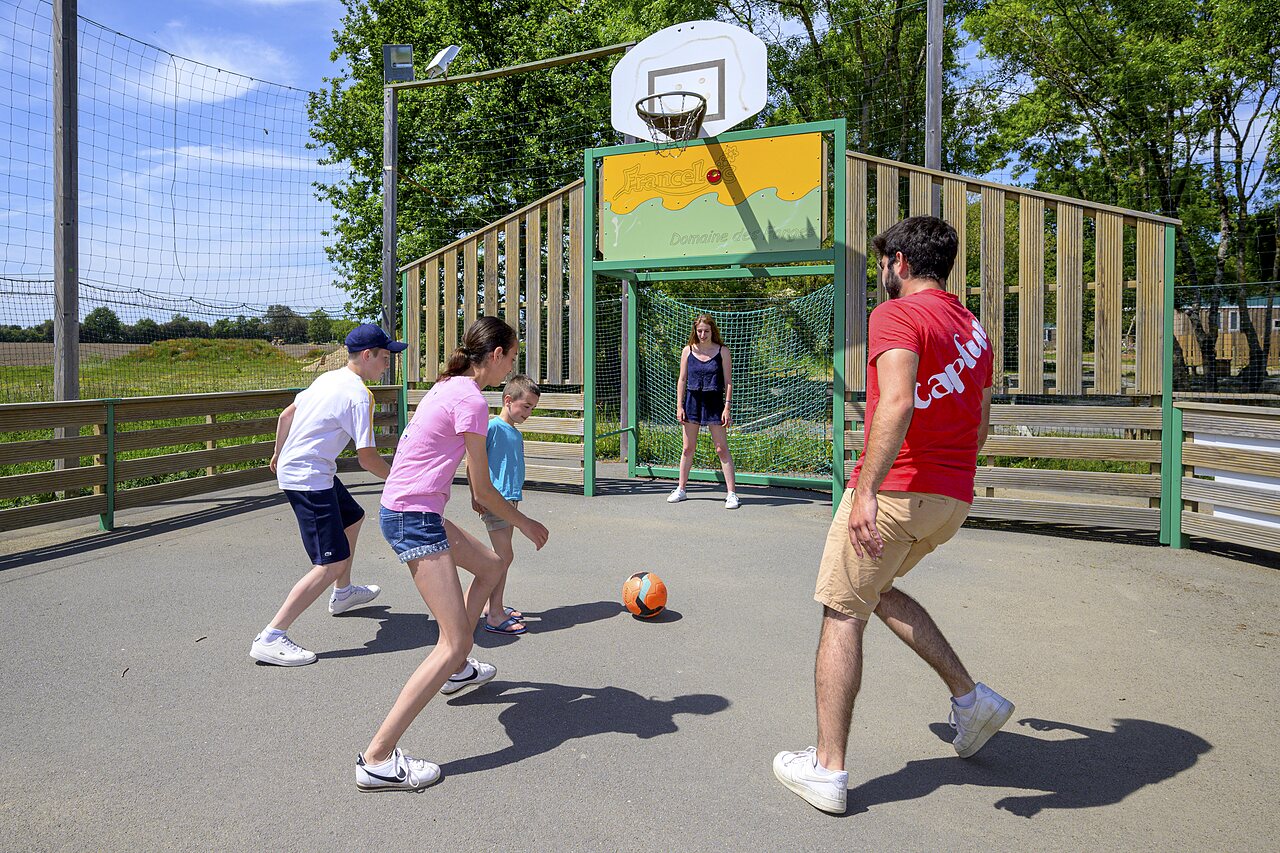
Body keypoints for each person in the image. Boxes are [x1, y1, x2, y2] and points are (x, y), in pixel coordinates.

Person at [773, 215, 1014, 814]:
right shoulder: (972, 329)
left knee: (842, 609)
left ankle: (828, 771)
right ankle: (970, 698)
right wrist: (946, 475)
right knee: (875, 592)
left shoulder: (897, 314)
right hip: (951, 496)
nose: (883, 272)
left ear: (900, 263)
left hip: (900, 490)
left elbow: (899, 402)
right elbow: (981, 424)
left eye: (885, 262)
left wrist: (866, 489)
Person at [355, 316, 549, 792]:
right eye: (513, 355)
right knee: (454, 640)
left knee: (490, 565)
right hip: (412, 517)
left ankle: (458, 668)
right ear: (498, 354)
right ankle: (377, 758)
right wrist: (527, 524)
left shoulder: (451, 385)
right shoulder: (471, 400)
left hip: (413, 509)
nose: (513, 365)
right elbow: (481, 490)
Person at [250, 323, 405, 667]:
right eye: (385, 357)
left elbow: (287, 414)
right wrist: (401, 481)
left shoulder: (329, 378)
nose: (388, 364)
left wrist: (279, 452)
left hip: (306, 469)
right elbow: (367, 458)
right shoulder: (359, 394)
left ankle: (343, 593)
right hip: (309, 478)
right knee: (330, 562)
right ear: (368, 355)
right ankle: (272, 636)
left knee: (353, 516)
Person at [472, 374, 541, 636]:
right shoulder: (492, 428)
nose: (529, 413)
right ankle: (495, 613)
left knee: (502, 556)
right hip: (495, 500)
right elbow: (473, 462)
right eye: (526, 407)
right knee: (504, 557)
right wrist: (475, 495)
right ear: (508, 400)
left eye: (533, 409)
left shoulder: (514, 432)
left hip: (510, 500)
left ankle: (493, 607)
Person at [667, 314, 740, 509]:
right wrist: (679, 406)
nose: (702, 334)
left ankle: (732, 494)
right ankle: (681, 489)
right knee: (687, 448)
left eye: (706, 331)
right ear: (695, 331)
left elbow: (728, 382)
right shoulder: (687, 351)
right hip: (692, 401)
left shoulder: (722, 351)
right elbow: (682, 379)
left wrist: (727, 406)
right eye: (699, 331)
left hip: (714, 401)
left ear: (712, 330)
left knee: (721, 449)